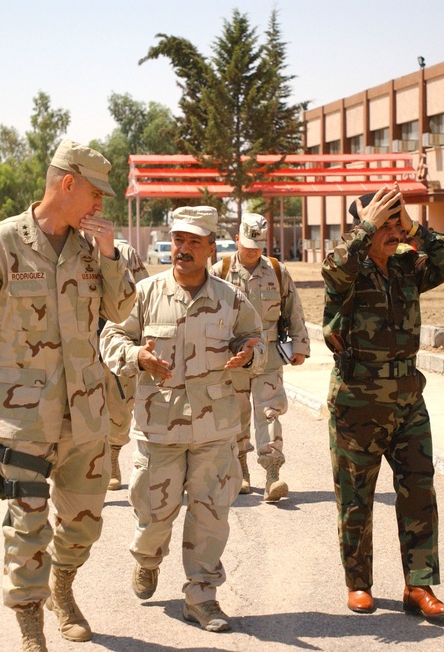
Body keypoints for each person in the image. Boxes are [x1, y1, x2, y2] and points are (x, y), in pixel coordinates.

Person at [0, 140, 136, 652]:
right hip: (23, 420)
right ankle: (30, 628)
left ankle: (63, 589)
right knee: (27, 525)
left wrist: (110, 257)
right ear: (67, 184)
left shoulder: (93, 248)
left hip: (86, 415)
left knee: (83, 526)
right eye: (94, 193)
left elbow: (123, 310)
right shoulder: (1, 244)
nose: (100, 206)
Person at [100, 206, 264, 633]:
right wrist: (136, 355)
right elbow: (112, 336)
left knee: (210, 514)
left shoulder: (231, 299)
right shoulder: (146, 293)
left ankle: (202, 596)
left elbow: (256, 339)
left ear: (212, 248)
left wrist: (250, 354)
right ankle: (147, 560)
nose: (184, 249)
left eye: (194, 242)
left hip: (216, 428)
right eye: (178, 240)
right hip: (160, 427)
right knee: (155, 513)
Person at [322, 185, 444, 617]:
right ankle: (359, 583)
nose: (389, 230)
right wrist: (367, 227)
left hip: (407, 402)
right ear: (361, 226)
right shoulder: (345, 265)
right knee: (356, 498)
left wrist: (413, 227)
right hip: (357, 401)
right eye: (382, 222)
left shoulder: (407, 266)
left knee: (419, 491)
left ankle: (418, 586)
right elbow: (334, 272)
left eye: (393, 222)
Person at [210, 213, 309, 501]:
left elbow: (294, 309)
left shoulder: (277, 271)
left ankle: (272, 475)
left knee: (269, 413)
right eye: (248, 243)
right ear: (237, 238)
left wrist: (299, 346)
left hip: (270, 356)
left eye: (258, 245)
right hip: (235, 356)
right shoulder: (220, 271)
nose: (252, 250)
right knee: (236, 414)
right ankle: (241, 469)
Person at [103, 239, 149, 491]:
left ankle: (112, 457)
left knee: (119, 408)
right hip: (80, 342)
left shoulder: (126, 251)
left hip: (118, 339)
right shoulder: (70, 247)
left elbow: (146, 290)